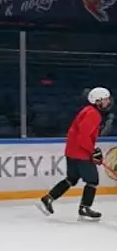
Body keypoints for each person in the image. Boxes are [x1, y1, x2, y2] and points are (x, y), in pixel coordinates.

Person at [37, 86, 112, 221]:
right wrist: (92, 151)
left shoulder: (87, 111)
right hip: (81, 153)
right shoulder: (93, 114)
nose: (108, 102)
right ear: (98, 100)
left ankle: (48, 198)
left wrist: (92, 150)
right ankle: (84, 207)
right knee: (92, 181)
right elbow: (83, 137)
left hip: (73, 151)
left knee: (71, 179)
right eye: (106, 99)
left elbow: (79, 134)